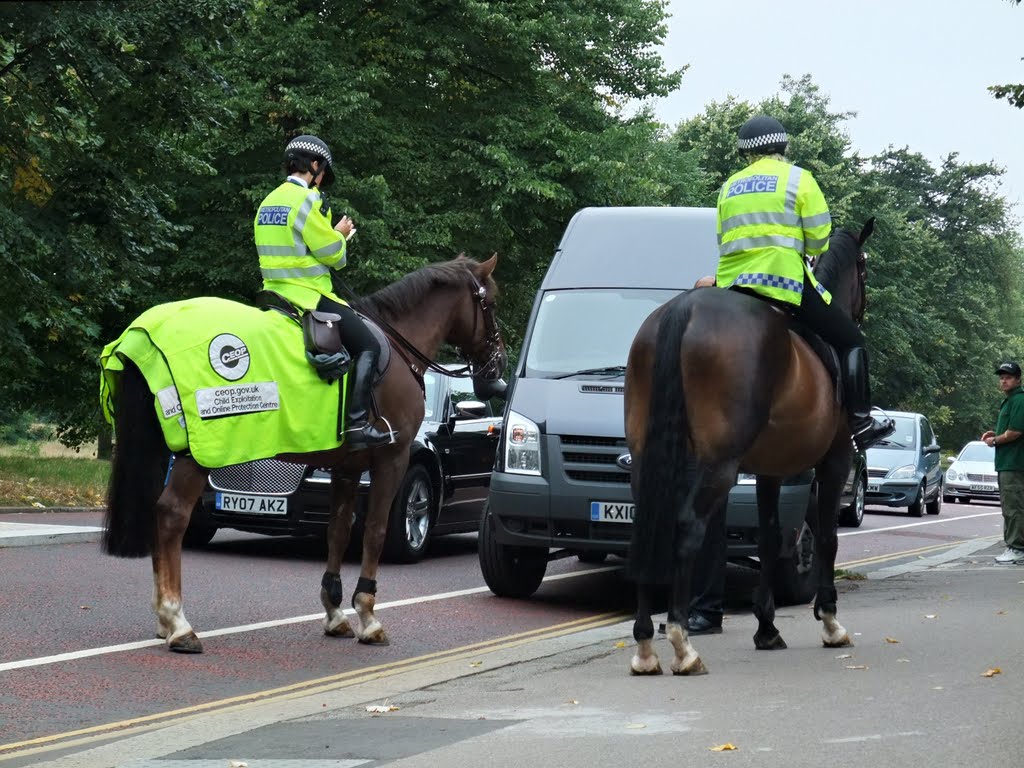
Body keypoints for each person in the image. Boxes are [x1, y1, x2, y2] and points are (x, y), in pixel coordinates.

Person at [715, 115, 893, 451]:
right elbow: (818, 241)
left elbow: (723, 239)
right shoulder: (799, 180)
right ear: (782, 146)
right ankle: (860, 421)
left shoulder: (730, 186)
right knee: (852, 339)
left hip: (732, 286)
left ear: (746, 153)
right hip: (782, 284)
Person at [253, 135, 396, 450]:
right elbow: (333, 254)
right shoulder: (306, 201)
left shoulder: (267, 202)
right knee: (369, 345)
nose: (321, 181)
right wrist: (341, 234)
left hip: (273, 296)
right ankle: (357, 425)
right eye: (321, 173)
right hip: (309, 296)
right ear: (314, 166)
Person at [981, 361, 1024, 564]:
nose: (1003, 381)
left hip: (1014, 464)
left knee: (1013, 506)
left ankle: (1017, 548)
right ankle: (1015, 547)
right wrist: (995, 434)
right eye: (1001, 377)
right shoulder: (1009, 401)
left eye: (1008, 377)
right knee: (1011, 505)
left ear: (1018, 379)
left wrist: (994, 440)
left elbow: (1015, 432)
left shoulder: (1019, 400)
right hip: (1008, 462)